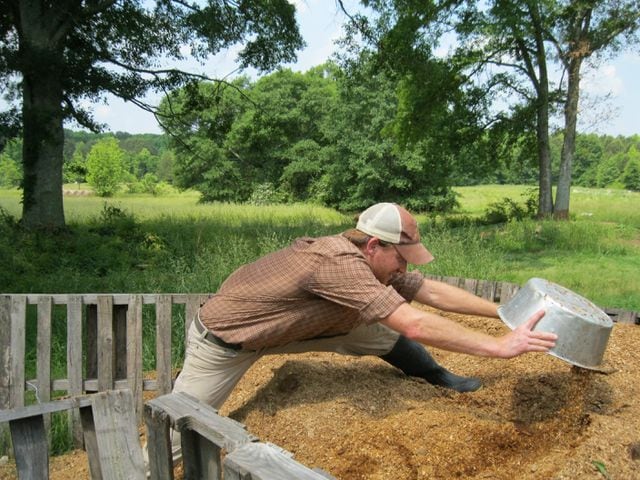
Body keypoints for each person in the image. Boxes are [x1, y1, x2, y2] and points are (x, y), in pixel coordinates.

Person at [169, 202, 556, 456]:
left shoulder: (373, 264)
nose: (405, 268)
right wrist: (500, 347)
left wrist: (504, 313)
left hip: (310, 325)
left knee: (381, 334)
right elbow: (415, 322)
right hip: (228, 341)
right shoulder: (338, 265)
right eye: (401, 258)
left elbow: (429, 291)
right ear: (373, 245)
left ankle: (440, 377)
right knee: (179, 424)